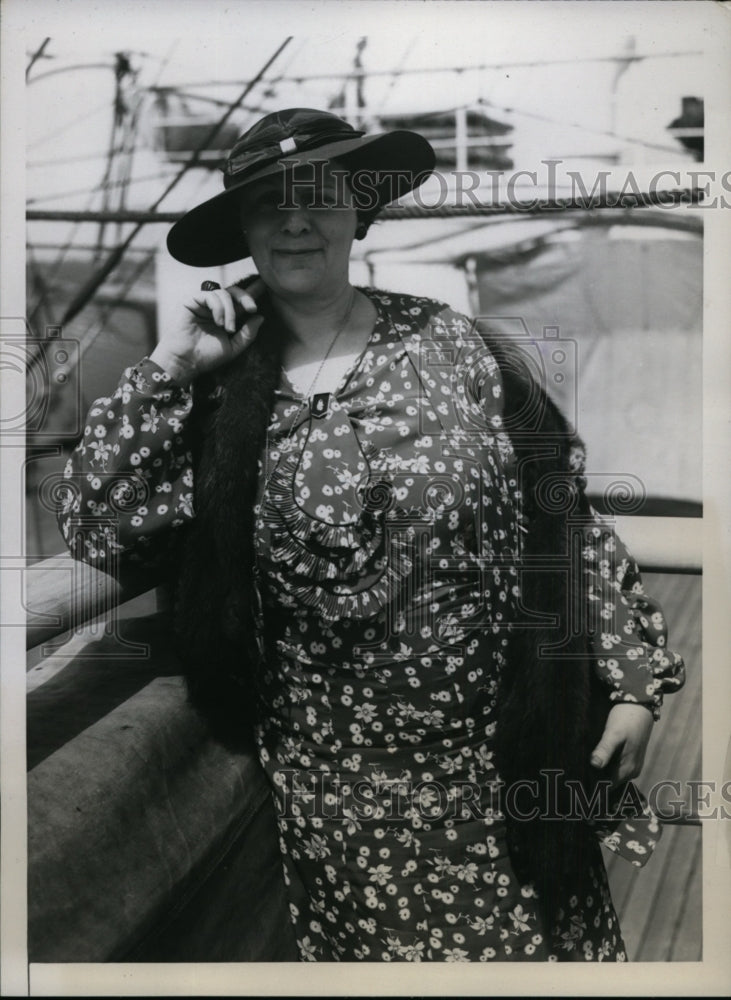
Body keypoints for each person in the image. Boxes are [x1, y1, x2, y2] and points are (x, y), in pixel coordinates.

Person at [57, 108, 685, 962]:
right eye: (269, 203)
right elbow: (98, 524)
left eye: (319, 196)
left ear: (359, 209)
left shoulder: (450, 345)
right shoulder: (213, 388)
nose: (296, 221)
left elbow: (561, 515)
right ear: (243, 229)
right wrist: (169, 368)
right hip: (343, 802)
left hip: (507, 762)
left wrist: (632, 684)